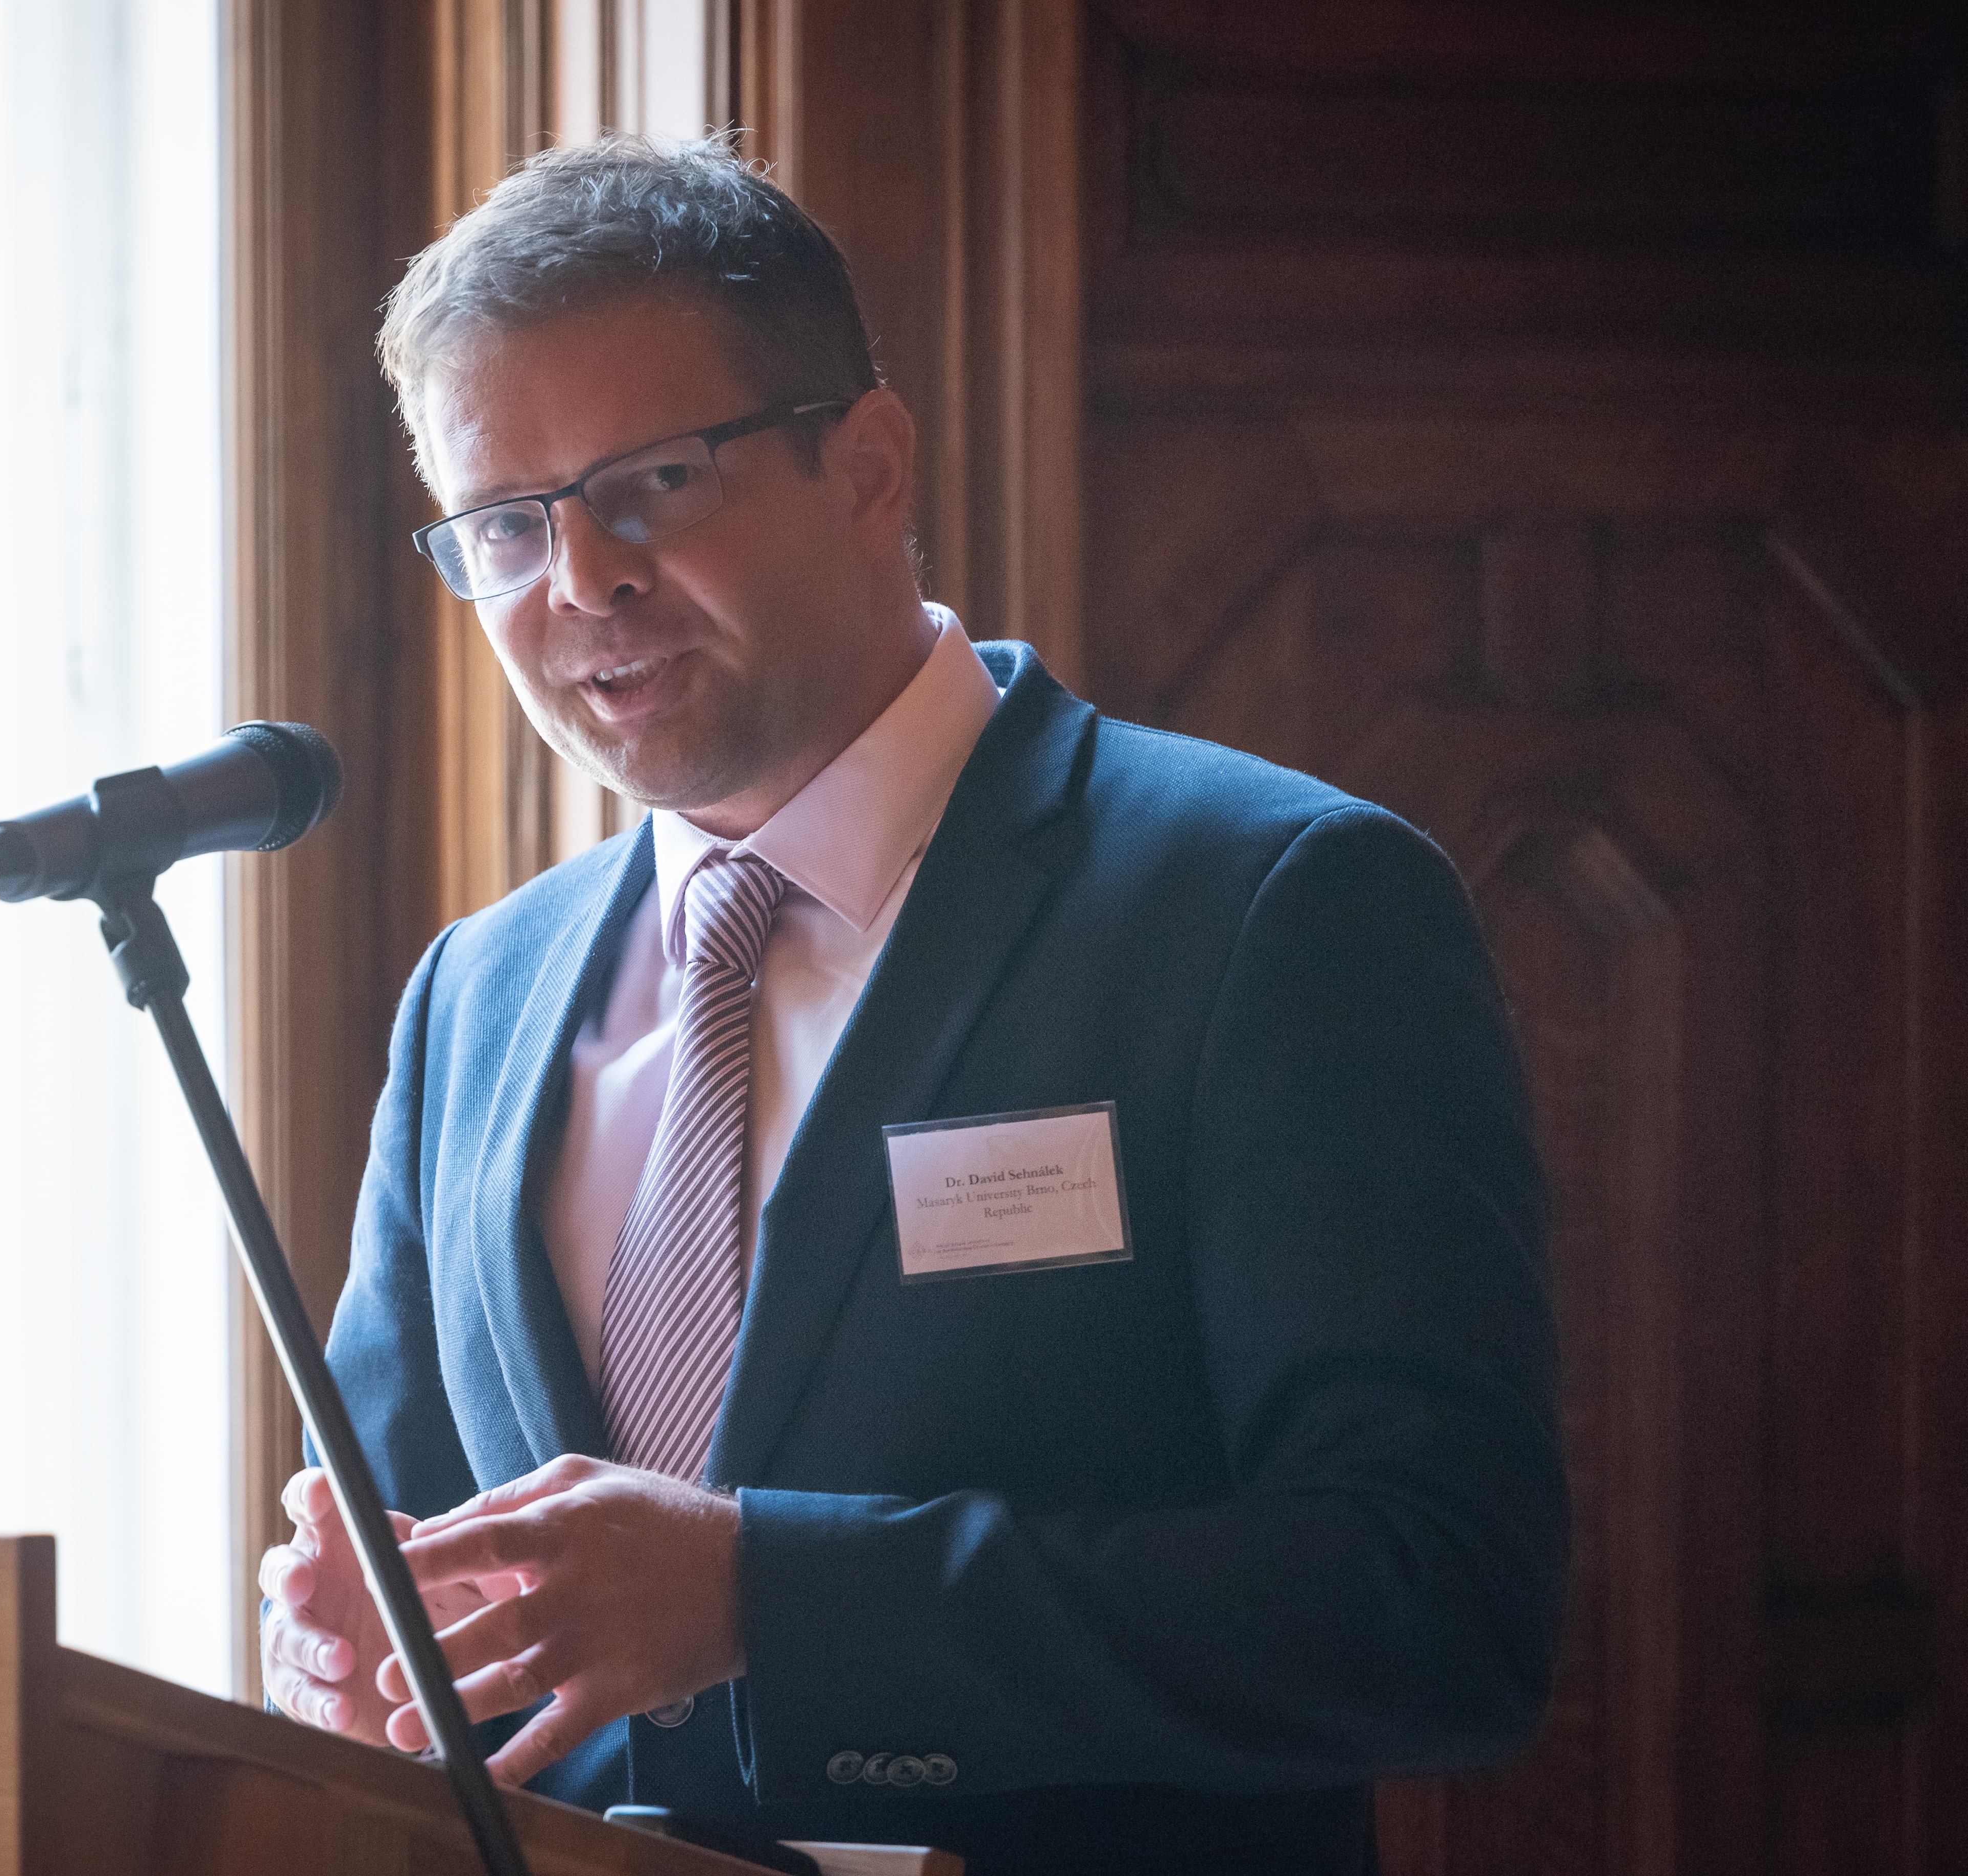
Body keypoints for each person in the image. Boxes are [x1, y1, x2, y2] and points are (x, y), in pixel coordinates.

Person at [258, 135, 1564, 1875]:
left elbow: (1439, 1608)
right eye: (507, 524)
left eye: (652, 483)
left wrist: (764, 1596)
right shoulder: (474, 999)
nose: (580, 582)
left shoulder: (1266, 903)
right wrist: (347, 1664)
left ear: (866, 464)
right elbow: (426, 1593)